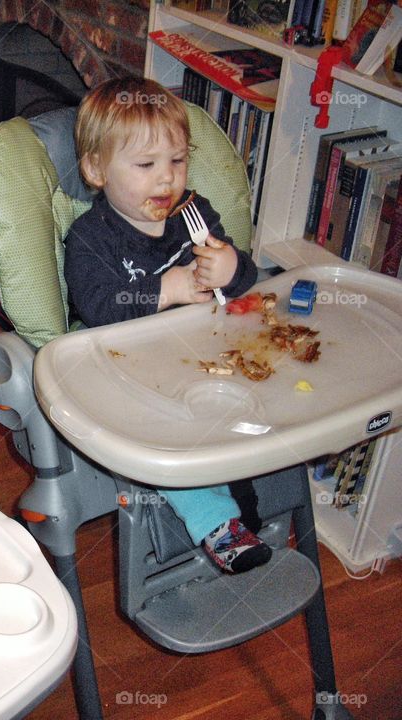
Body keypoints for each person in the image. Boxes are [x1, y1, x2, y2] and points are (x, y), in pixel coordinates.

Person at [63, 76, 270, 574]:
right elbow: (98, 307)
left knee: (259, 396)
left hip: (201, 358)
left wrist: (231, 268)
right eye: (146, 165)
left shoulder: (194, 214)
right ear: (96, 169)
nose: (166, 180)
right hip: (127, 373)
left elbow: (242, 279)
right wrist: (170, 289)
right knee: (172, 431)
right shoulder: (90, 238)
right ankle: (216, 521)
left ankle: (249, 488)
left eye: (177, 162)